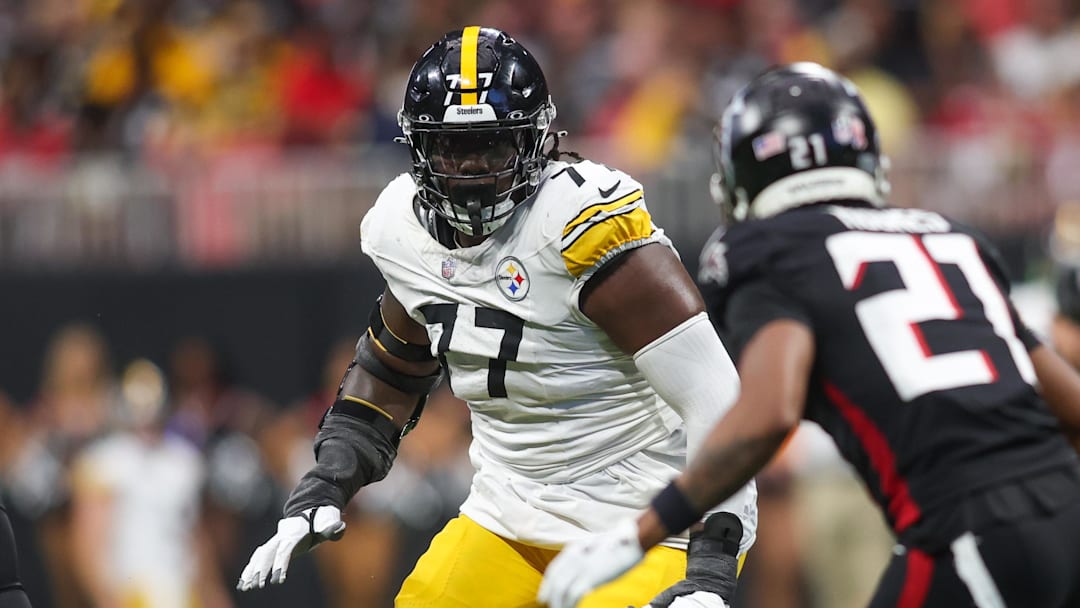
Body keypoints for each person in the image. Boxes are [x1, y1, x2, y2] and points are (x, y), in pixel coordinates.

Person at [236, 26, 757, 608]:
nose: (471, 170)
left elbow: (718, 397)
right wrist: (324, 484)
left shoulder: (581, 226)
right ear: (417, 150)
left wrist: (711, 566)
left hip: (647, 515)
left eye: (491, 145)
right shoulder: (401, 231)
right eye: (452, 149)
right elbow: (389, 373)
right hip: (509, 512)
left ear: (536, 141)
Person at [539, 62, 1080, 608]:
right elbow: (1072, 408)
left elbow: (770, 413)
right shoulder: (949, 237)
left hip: (968, 529)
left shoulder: (770, 251)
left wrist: (643, 532)